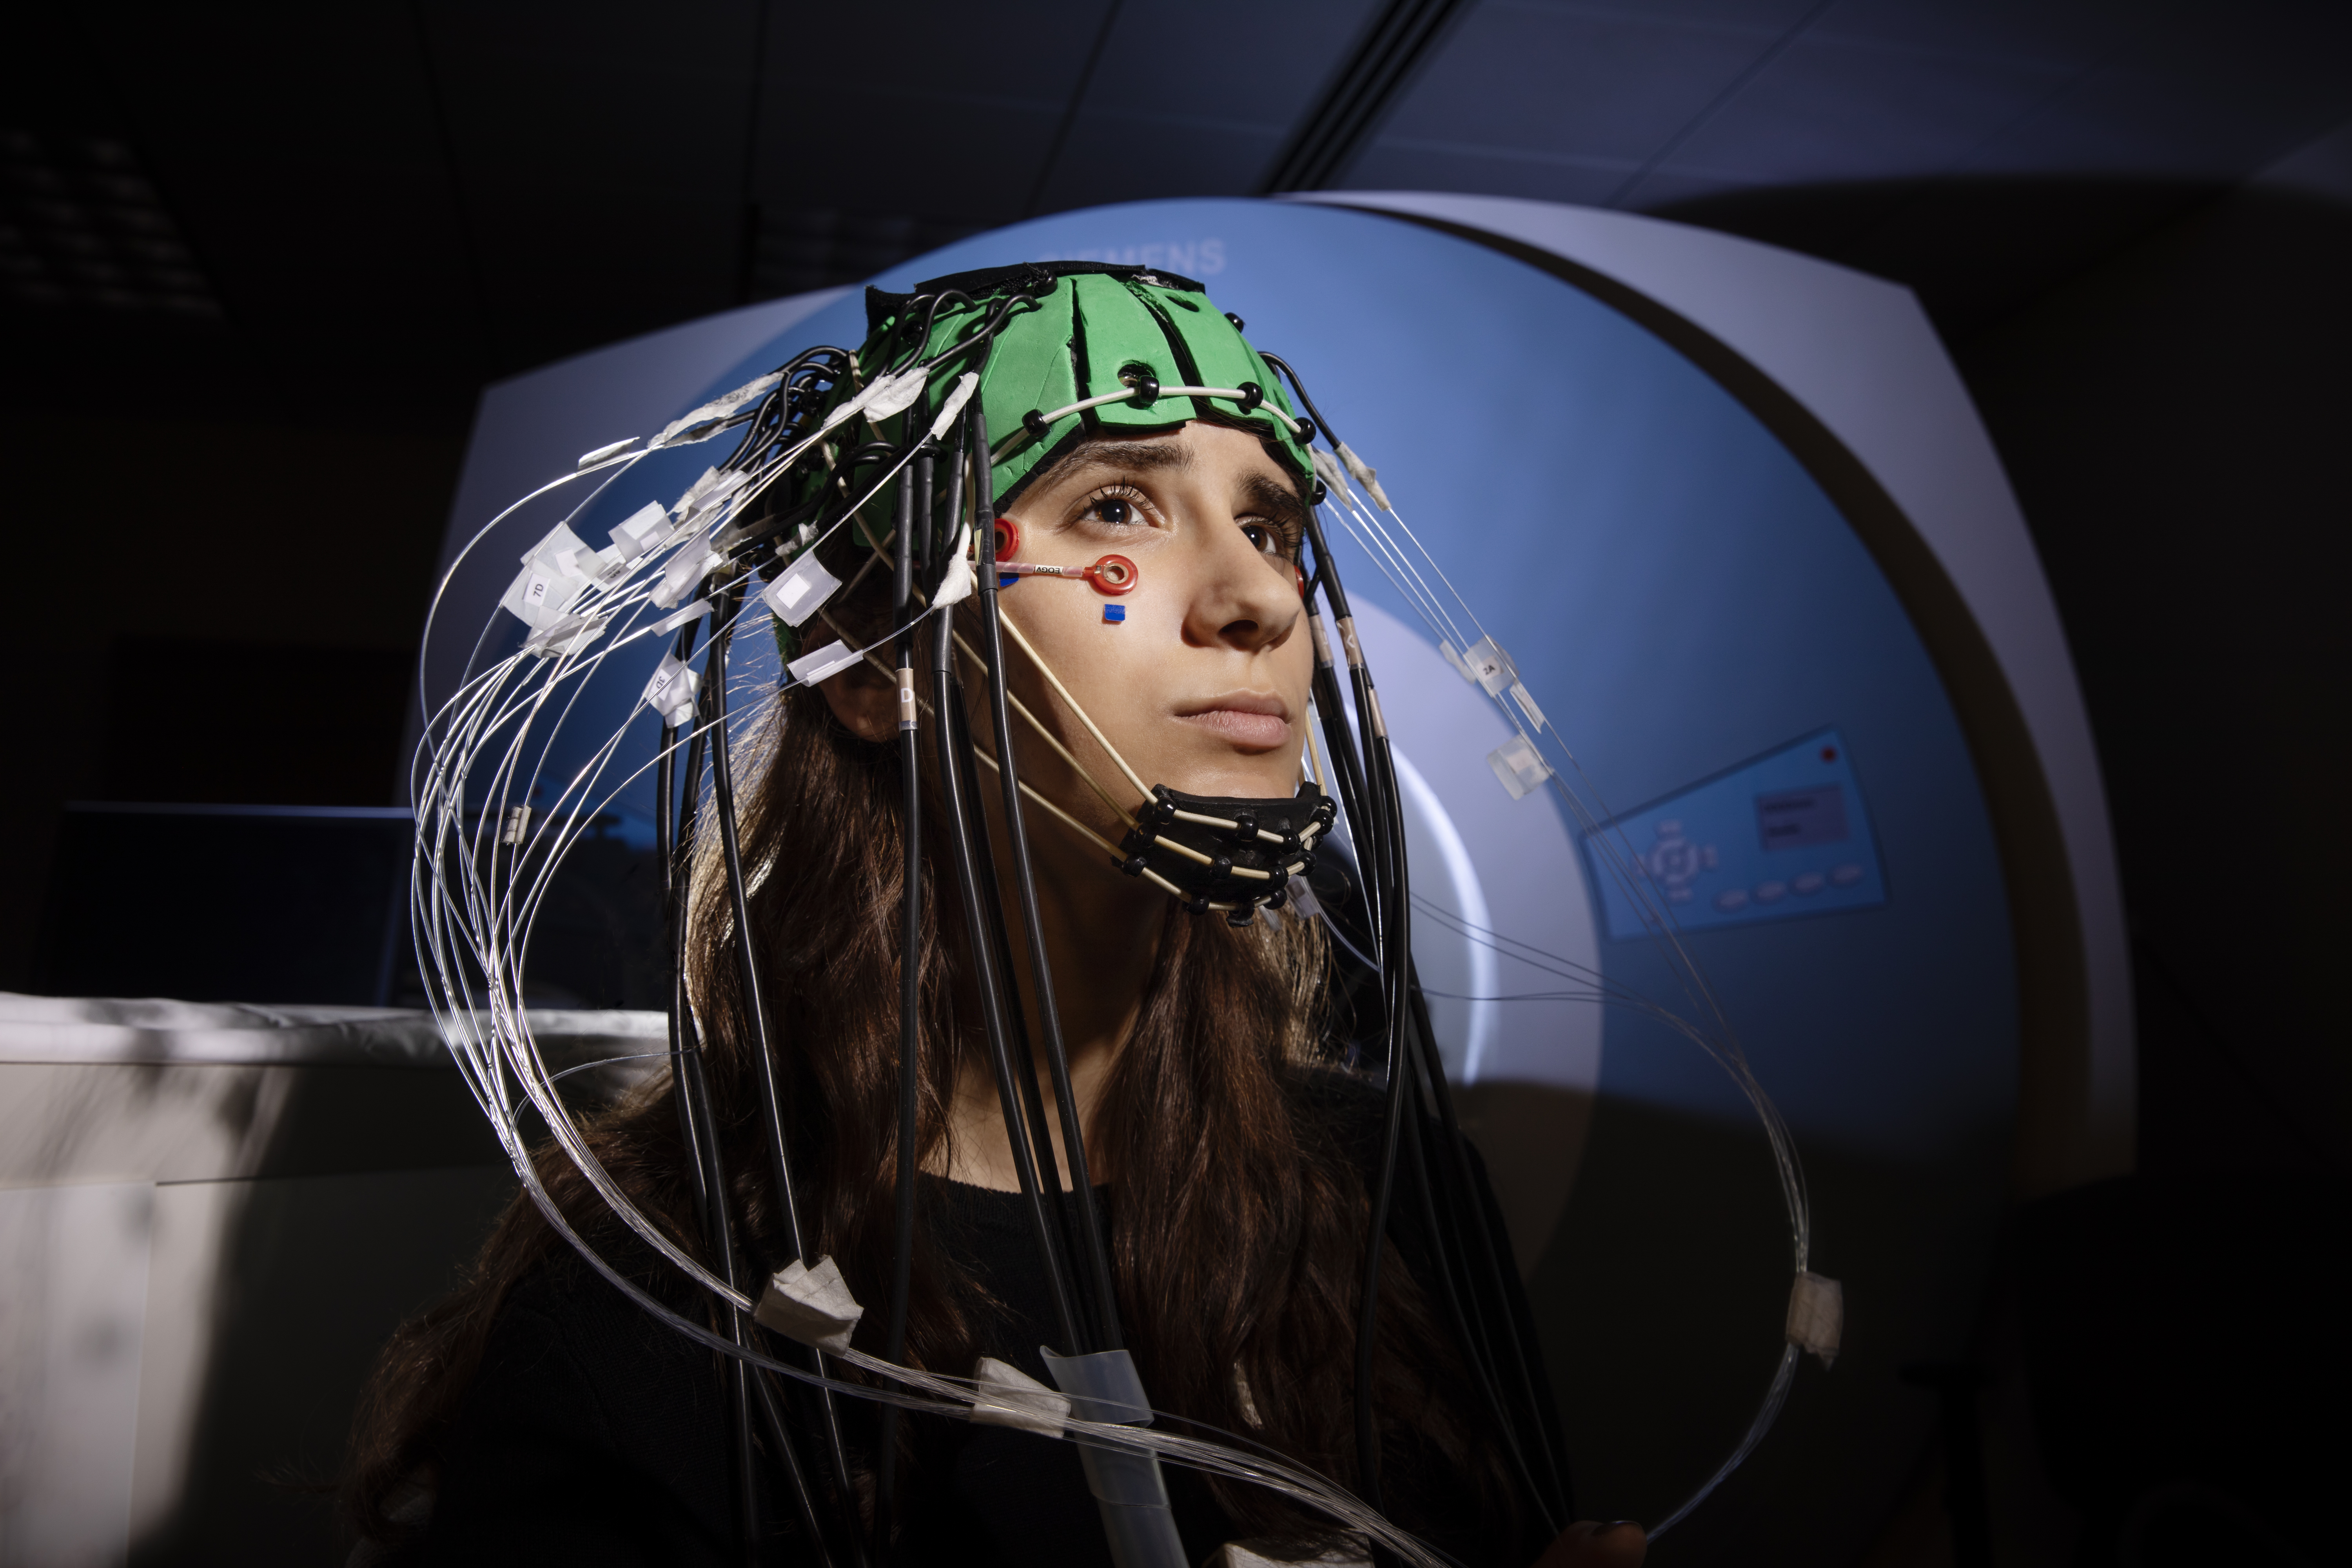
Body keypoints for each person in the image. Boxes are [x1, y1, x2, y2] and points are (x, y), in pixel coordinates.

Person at [350, 262, 1649, 1568]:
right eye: (1120, 507)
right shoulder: (654, 1300)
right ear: (874, 658)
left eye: (1269, 528)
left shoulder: (1400, 1199)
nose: (1256, 597)